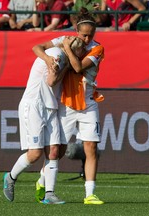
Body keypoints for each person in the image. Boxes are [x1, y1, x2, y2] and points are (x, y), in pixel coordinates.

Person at [32, 7, 105, 205]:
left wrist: (67, 49)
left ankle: (90, 194)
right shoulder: (65, 39)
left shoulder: (98, 49)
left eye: (91, 35)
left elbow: (78, 67)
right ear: (76, 31)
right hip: (67, 104)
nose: (88, 39)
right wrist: (49, 58)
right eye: (84, 35)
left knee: (91, 147)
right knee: (59, 151)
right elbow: (37, 47)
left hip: (89, 104)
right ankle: (42, 180)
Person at [3, 36, 85, 204]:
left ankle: (49, 194)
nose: (80, 58)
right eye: (79, 54)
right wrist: (67, 67)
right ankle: (10, 177)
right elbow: (51, 80)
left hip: (50, 106)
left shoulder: (61, 53)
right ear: (72, 51)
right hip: (34, 105)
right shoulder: (57, 55)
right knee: (34, 154)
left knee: (54, 151)